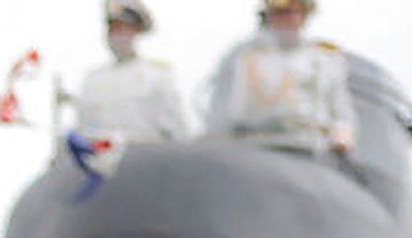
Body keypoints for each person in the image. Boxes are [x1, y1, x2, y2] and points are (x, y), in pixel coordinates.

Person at [202, 0, 355, 160]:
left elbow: (341, 110)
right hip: (253, 146)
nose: (285, 20)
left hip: (307, 148)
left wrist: (341, 137)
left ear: (303, 16)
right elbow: (220, 110)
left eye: (291, 13)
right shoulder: (242, 56)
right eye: (278, 14)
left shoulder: (324, 58)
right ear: (268, 17)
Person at [66, 2, 190, 149]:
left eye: (123, 30)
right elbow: (81, 131)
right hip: (101, 164)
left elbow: (178, 133)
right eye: (113, 30)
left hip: (147, 161)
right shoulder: (92, 80)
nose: (117, 36)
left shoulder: (157, 76)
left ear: (135, 32)